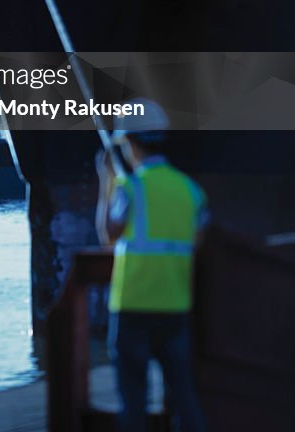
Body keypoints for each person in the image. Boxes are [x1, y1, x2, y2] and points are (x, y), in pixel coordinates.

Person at [95, 101, 207, 432]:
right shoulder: (191, 190)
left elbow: (107, 235)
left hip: (132, 306)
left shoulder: (130, 188)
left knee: (134, 401)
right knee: (184, 396)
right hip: (174, 305)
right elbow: (197, 240)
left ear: (129, 143)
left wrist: (107, 181)